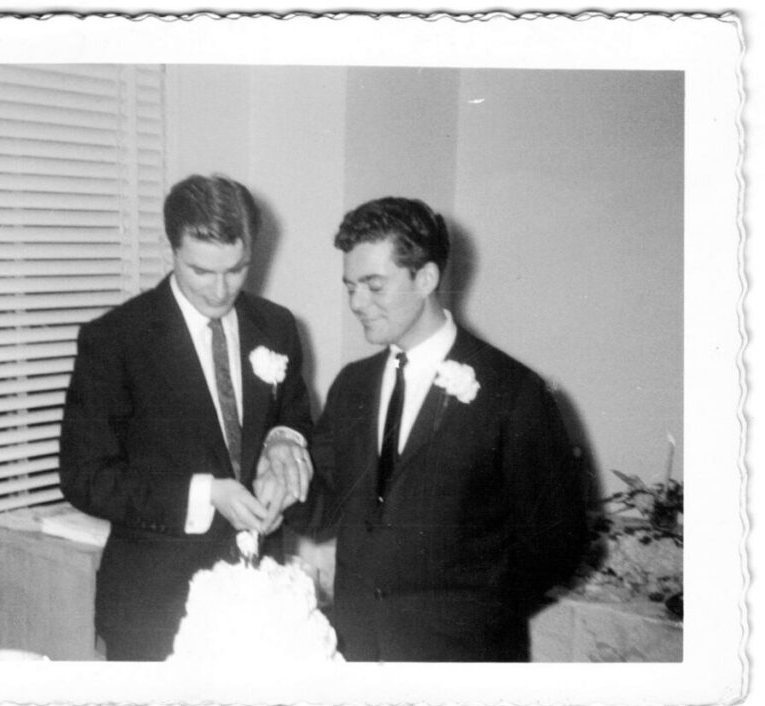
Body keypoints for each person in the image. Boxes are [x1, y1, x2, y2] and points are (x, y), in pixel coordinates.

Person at [296, 196, 587, 662]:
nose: (356, 303)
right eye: (350, 286)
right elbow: (324, 509)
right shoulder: (352, 385)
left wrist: (479, 611)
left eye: (374, 286)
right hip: (358, 655)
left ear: (426, 278)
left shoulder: (514, 392)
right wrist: (280, 478)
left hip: (460, 658)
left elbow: (558, 540)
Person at [59, 174, 313, 661]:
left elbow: (295, 414)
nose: (221, 291)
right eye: (201, 271)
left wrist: (285, 440)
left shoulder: (277, 326)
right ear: (170, 247)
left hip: (262, 601)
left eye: (237, 269)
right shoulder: (116, 340)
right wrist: (206, 493)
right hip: (156, 607)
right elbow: (84, 477)